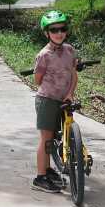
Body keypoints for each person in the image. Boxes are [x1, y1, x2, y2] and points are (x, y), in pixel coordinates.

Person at [31, 10, 78, 193]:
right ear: (46, 33)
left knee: (60, 135)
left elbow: (73, 75)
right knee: (46, 138)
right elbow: (37, 80)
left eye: (62, 29)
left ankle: (49, 169)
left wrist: (70, 93)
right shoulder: (44, 55)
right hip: (47, 100)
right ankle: (40, 177)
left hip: (64, 99)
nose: (59, 33)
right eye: (54, 30)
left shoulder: (70, 50)